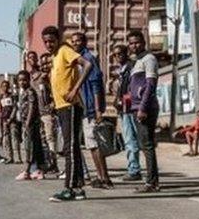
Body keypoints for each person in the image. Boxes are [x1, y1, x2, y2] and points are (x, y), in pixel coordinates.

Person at [43, 26, 93, 202]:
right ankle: (78, 187)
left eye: (51, 40)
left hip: (70, 106)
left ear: (58, 39)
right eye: (46, 42)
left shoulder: (65, 50)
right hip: (61, 107)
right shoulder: (55, 56)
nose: (49, 44)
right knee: (73, 148)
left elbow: (88, 64)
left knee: (69, 147)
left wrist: (75, 90)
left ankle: (69, 188)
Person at [69, 31, 113, 189]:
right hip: (84, 108)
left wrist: (97, 110)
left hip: (91, 109)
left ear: (84, 42)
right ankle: (101, 177)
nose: (75, 43)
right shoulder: (77, 60)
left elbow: (95, 85)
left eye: (78, 40)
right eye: (73, 41)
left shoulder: (88, 58)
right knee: (92, 146)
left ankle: (104, 178)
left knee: (95, 145)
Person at [128, 30, 161, 193]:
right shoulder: (137, 61)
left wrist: (142, 107)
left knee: (147, 145)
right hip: (136, 108)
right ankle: (151, 181)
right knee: (144, 144)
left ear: (143, 42)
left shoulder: (149, 59)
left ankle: (152, 182)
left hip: (145, 108)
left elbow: (150, 85)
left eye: (137, 42)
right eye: (131, 43)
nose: (134, 45)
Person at [111, 44, 141, 181]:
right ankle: (133, 168)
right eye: (115, 55)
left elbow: (132, 89)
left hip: (129, 108)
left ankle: (134, 169)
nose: (118, 57)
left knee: (130, 140)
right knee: (129, 139)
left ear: (126, 53)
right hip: (124, 109)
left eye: (120, 54)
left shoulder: (130, 68)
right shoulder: (122, 70)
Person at [15, 71, 45, 181]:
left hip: (31, 123)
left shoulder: (30, 91)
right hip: (26, 123)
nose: (22, 82)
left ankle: (27, 171)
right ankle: (38, 170)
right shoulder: (22, 92)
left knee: (29, 147)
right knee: (35, 146)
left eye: (24, 80)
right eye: (20, 80)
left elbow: (32, 107)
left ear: (29, 80)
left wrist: (27, 123)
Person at [37, 53, 60, 175]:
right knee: (45, 139)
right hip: (41, 113)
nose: (44, 66)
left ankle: (53, 164)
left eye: (47, 63)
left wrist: (52, 106)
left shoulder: (53, 76)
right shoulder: (42, 78)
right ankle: (49, 162)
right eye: (42, 64)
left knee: (51, 139)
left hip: (49, 114)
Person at [0, 80, 20, 163]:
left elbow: (15, 108)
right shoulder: (0, 97)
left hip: (12, 120)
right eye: (3, 86)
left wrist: (11, 118)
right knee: (7, 140)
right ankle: (10, 157)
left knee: (15, 139)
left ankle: (17, 158)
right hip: (4, 121)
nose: (5, 88)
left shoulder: (12, 96)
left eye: (6, 86)